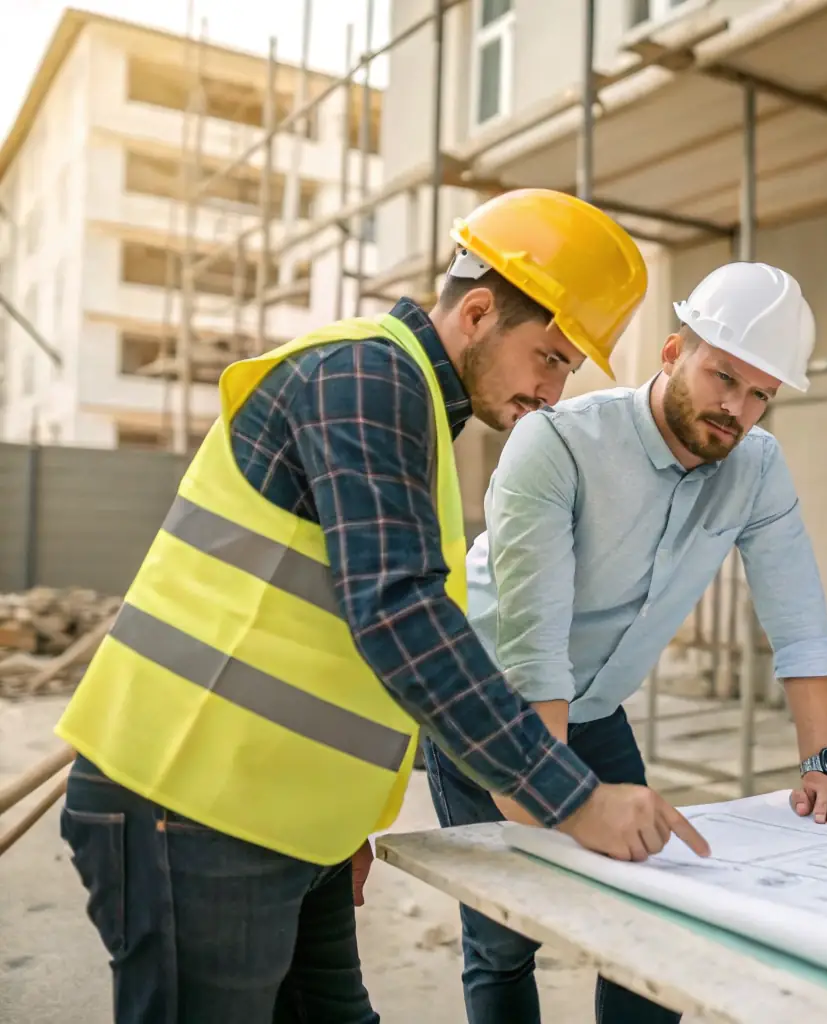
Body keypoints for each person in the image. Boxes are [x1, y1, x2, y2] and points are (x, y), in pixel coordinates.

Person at [52, 188, 709, 1024]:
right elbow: (397, 615)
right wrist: (572, 796)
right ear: (477, 312)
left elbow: (334, 639)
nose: (553, 390)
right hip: (189, 809)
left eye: (568, 369)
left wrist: (342, 828)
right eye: (549, 356)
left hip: (281, 821)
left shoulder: (409, 409)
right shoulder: (363, 375)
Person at [423, 260, 827, 1024]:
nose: (736, 409)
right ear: (674, 351)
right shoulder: (557, 445)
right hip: (490, 704)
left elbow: (799, 621)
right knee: (507, 931)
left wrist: (823, 765)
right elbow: (535, 648)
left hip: (596, 703)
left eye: (760, 395)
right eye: (723, 376)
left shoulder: (756, 467)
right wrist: (558, 802)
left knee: (651, 913)